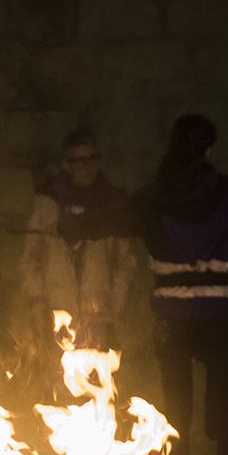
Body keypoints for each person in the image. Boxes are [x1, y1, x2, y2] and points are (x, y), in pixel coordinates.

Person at [133, 114, 228, 455]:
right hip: (221, 311)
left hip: (173, 312)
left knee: (174, 412)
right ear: (208, 148)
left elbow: (127, 219)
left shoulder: (154, 196)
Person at [19, 127, 136, 381]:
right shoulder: (48, 203)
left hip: (98, 317)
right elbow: (31, 258)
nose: (87, 167)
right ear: (67, 164)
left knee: (96, 391)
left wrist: (113, 310)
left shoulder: (111, 202)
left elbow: (124, 263)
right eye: (79, 160)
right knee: (55, 391)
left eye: (92, 159)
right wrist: (38, 302)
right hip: (56, 315)